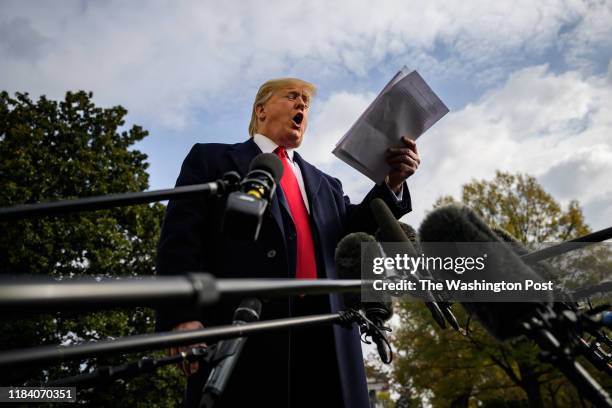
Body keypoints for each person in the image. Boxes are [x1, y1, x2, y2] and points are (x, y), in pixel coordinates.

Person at [155, 78, 420, 407]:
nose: (302, 106)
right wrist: (181, 314)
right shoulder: (211, 160)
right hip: (244, 331)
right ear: (261, 109)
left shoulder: (327, 185)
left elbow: (355, 229)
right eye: (292, 97)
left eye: (307, 104)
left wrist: (392, 182)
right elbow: (181, 241)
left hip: (328, 334)